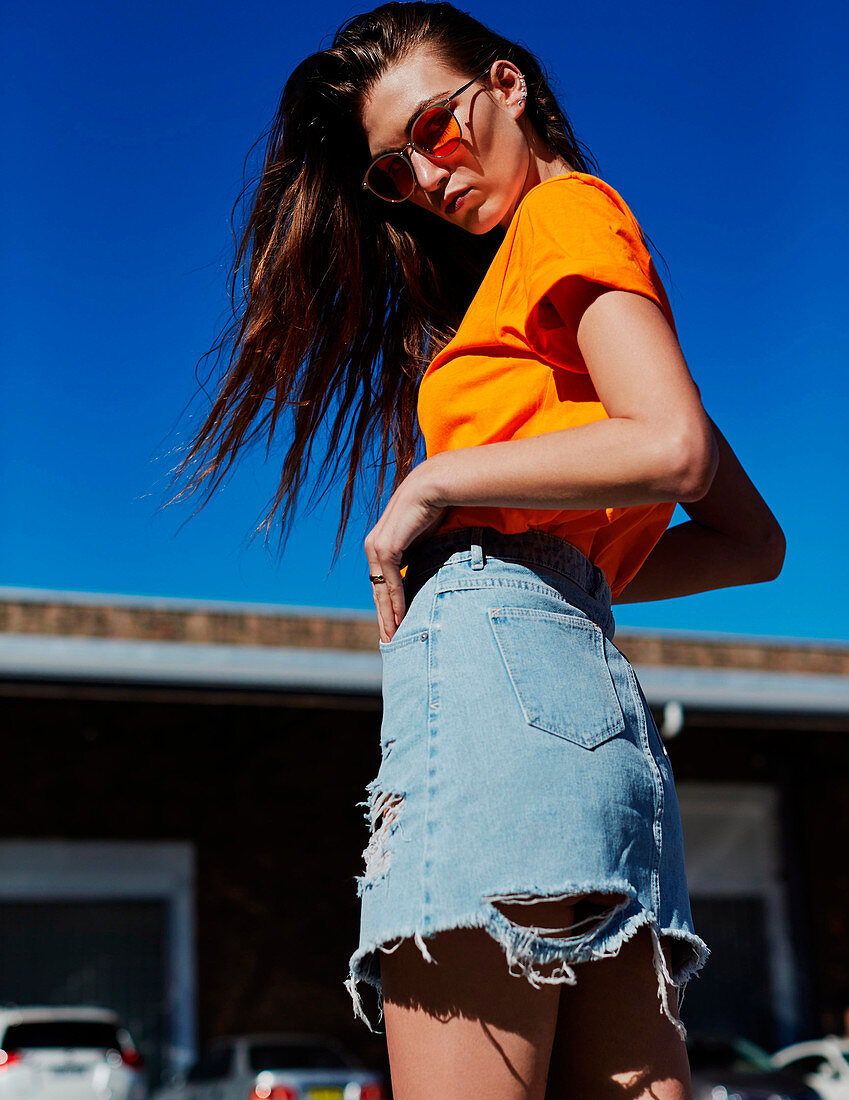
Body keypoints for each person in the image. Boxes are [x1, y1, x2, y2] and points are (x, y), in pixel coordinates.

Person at [176, 3, 786, 1097]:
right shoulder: (558, 276)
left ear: (508, 84)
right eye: (396, 172)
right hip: (584, 695)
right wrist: (575, 571)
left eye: (438, 130)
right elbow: (751, 540)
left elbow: (672, 447)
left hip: (511, 701)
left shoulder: (565, 215)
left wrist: (438, 480)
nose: (429, 177)